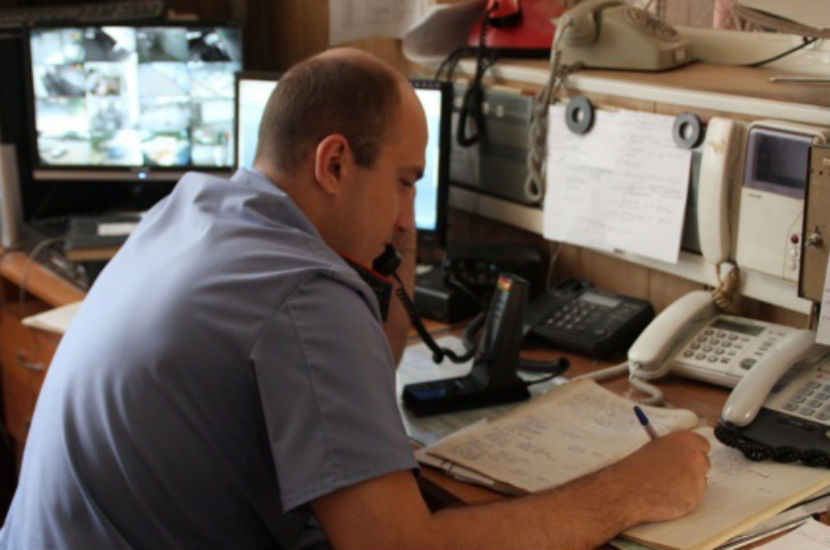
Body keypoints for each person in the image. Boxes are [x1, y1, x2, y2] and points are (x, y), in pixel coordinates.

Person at [0, 48, 710, 549]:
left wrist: (393, 252)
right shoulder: (302, 292)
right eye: (405, 181)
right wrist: (633, 490)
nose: (407, 214)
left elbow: (364, 370)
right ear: (335, 162)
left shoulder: (193, 209)